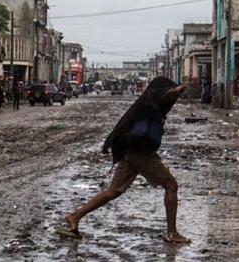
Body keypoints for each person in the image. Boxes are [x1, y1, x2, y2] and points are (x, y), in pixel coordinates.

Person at [56, 76, 191, 244]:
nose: (173, 99)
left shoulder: (154, 108)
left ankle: (74, 216)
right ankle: (172, 233)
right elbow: (155, 95)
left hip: (130, 151)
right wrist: (174, 90)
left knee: (114, 191)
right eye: (170, 95)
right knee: (171, 185)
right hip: (139, 152)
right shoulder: (149, 103)